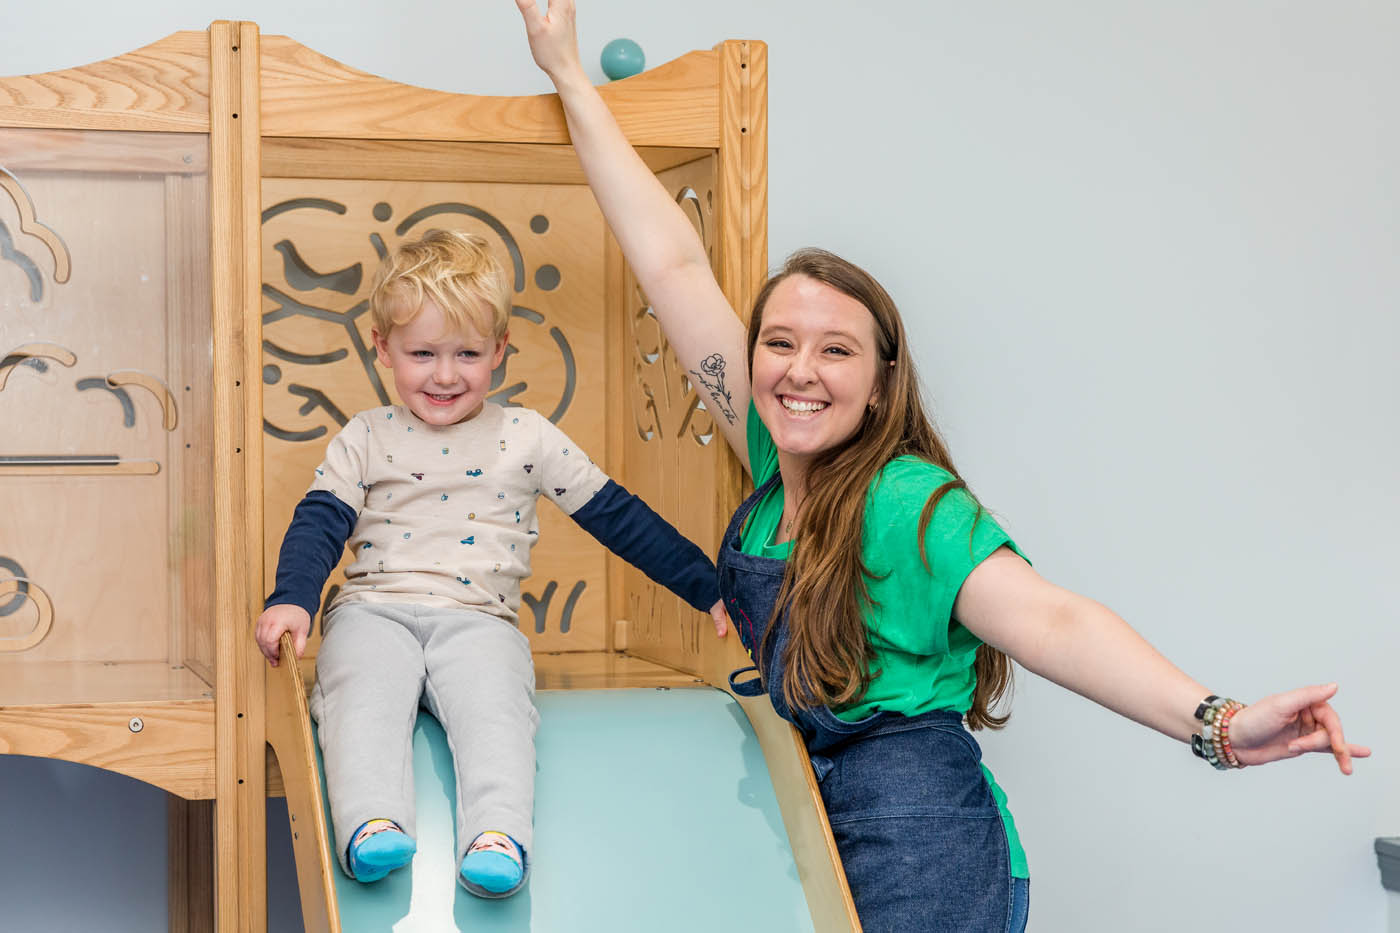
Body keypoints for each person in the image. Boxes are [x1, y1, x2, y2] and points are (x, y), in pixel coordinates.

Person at [513, 2, 1371, 929]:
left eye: (836, 351)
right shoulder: (768, 464)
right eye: (780, 342)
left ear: (882, 382)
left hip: (918, 832)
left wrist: (1217, 723)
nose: (800, 370)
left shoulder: (906, 500)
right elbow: (673, 264)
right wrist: (567, 74)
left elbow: (1053, 618)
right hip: (799, 802)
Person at [255, 229, 725, 898]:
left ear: (500, 351)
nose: (445, 375)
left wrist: (704, 584)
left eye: (467, 354)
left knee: (498, 708)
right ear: (382, 347)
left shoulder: (526, 436)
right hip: (373, 610)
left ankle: (496, 836)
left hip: (478, 620)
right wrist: (294, 596)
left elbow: (616, 516)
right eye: (422, 353)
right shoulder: (367, 436)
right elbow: (320, 522)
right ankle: (371, 822)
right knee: (359, 693)